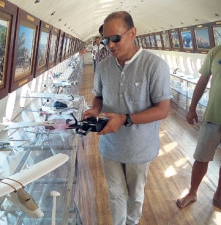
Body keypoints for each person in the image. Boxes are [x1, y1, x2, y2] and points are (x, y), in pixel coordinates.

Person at [83, 11, 170, 225]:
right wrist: (94, 110)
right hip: (110, 145)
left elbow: (162, 110)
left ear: (132, 33)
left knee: (135, 195)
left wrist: (125, 119)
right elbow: (99, 96)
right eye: (105, 40)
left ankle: (132, 222)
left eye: (115, 38)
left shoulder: (155, 66)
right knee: (115, 194)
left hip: (140, 147)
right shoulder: (103, 67)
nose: (110, 45)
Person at [176, 45, 221, 209]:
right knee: (201, 157)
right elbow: (202, 81)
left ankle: (219, 194)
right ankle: (192, 192)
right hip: (213, 116)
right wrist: (192, 107)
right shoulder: (216, 52)